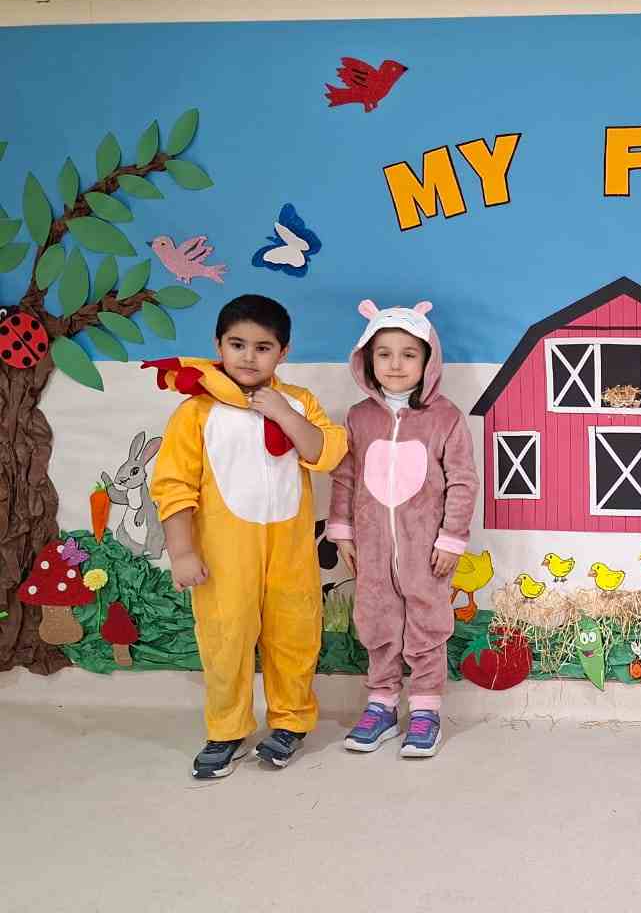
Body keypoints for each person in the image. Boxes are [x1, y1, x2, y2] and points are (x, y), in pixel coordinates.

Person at [150, 294, 347, 779]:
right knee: (226, 636)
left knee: (294, 633)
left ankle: (290, 721)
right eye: (237, 344)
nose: (248, 357)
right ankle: (227, 729)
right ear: (218, 344)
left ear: (283, 352)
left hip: (289, 549)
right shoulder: (196, 412)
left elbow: (325, 453)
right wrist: (182, 551)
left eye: (263, 347)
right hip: (224, 551)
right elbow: (173, 486)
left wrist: (283, 413)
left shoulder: (299, 401)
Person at [327, 299, 479, 758]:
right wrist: (343, 532)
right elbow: (345, 476)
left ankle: (426, 709)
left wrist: (452, 538)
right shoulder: (359, 417)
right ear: (367, 361)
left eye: (409, 354)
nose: (395, 364)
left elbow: (463, 481)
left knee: (428, 623)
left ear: (428, 361)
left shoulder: (445, 417)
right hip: (372, 547)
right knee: (376, 620)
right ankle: (382, 704)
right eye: (384, 354)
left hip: (426, 549)